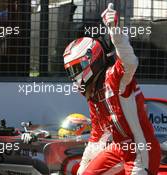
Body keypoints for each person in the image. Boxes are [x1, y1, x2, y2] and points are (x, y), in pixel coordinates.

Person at [63, 3, 160, 175]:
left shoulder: (114, 79)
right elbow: (97, 133)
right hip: (118, 147)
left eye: (75, 69)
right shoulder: (91, 92)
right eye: (70, 71)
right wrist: (84, 165)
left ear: (90, 60)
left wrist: (115, 31)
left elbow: (130, 62)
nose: (73, 76)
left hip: (141, 151)